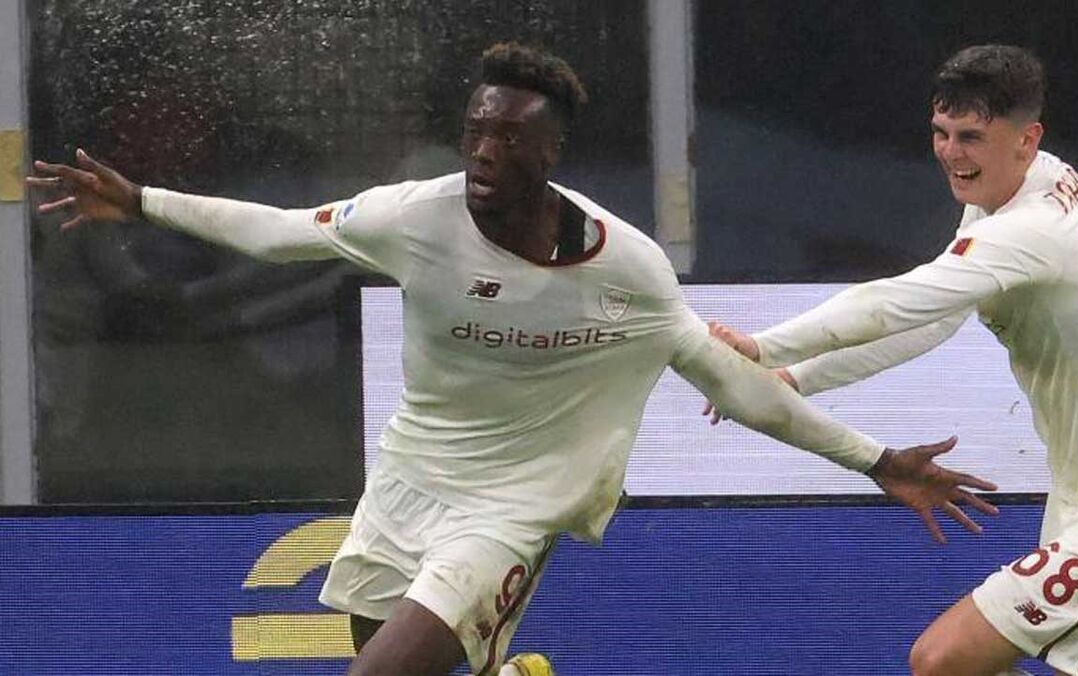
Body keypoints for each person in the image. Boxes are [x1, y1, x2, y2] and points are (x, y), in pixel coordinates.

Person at [27, 42, 997, 676]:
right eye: (475, 132)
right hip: (408, 482)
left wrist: (876, 460)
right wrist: (143, 200)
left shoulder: (627, 270)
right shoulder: (415, 218)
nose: (484, 151)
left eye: (509, 136)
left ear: (551, 151)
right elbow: (282, 234)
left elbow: (738, 387)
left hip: (512, 513)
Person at [707, 45, 1078, 676]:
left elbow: (896, 304)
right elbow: (932, 321)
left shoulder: (1026, 230)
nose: (950, 153)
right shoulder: (1032, 183)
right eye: (941, 132)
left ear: (1027, 139)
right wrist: (796, 378)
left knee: (941, 660)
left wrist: (762, 346)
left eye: (971, 137)